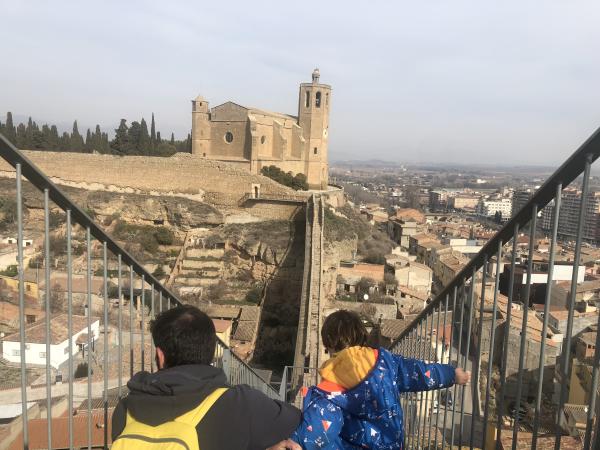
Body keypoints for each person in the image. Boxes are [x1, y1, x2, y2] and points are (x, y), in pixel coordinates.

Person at [112, 305, 302, 450]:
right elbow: (299, 421)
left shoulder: (124, 410)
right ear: (212, 352)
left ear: (160, 356)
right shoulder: (241, 404)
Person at [291, 310, 471, 449]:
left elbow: (317, 431)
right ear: (363, 336)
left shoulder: (330, 390)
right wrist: (452, 375)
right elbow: (421, 373)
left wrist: (293, 442)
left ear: (328, 345)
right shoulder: (386, 362)